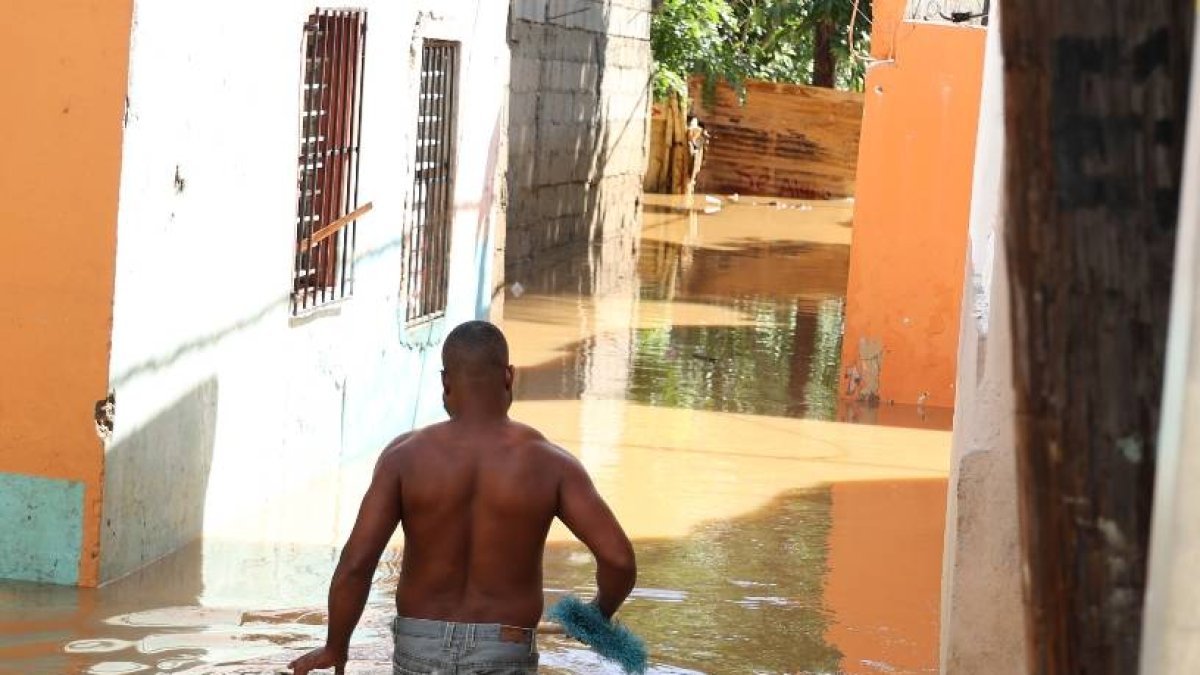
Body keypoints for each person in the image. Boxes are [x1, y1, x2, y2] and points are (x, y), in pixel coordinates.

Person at [290, 320, 637, 675]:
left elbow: (356, 565)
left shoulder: (403, 458)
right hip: (505, 649)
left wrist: (337, 646)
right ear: (509, 377)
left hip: (418, 648)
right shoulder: (553, 464)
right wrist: (598, 614)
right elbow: (619, 561)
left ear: (445, 382)